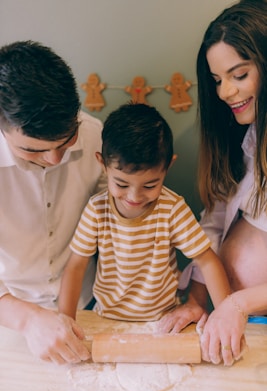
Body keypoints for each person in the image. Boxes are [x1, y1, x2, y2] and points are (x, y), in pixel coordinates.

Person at [58, 102, 232, 351]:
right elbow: (76, 266)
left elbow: (208, 261)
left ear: (168, 166)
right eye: (121, 184)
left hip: (165, 321)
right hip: (104, 318)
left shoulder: (172, 209)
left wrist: (226, 316)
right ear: (103, 165)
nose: (134, 196)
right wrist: (66, 320)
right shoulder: (97, 210)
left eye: (150, 185)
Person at [159, 0, 267, 366]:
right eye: (218, 80)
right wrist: (196, 299)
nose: (224, 93)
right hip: (233, 313)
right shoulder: (248, 138)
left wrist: (239, 303)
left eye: (239, 75)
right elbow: (217, 219)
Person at [0, 40, 106, 364]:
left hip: (86, 306)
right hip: (10, 317)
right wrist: (28, 319)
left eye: (66, 140)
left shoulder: (94, 134)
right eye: (34, 150)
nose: (55, 158)